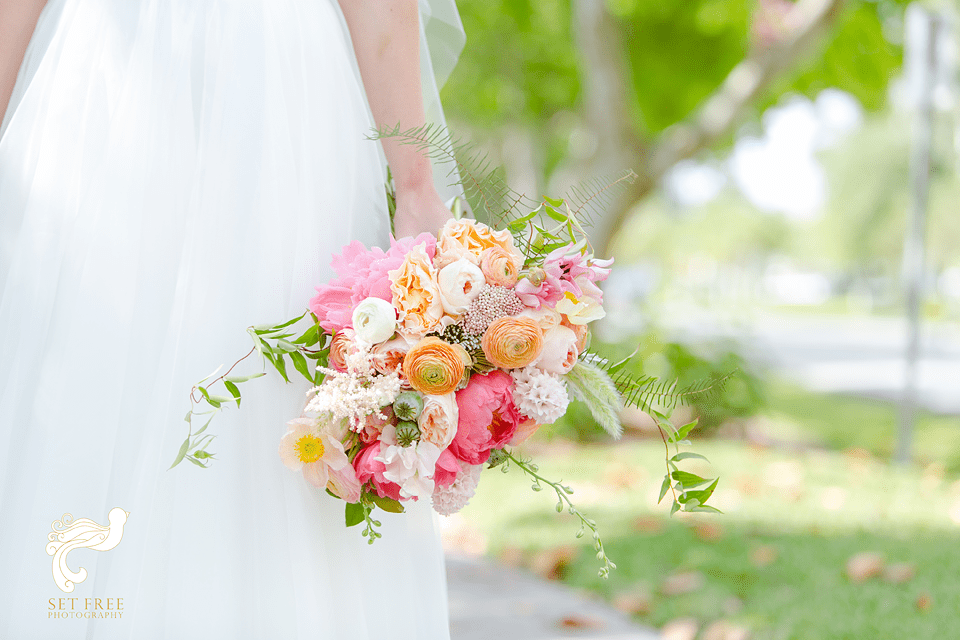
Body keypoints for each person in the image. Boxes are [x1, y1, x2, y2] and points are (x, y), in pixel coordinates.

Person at [0, 0, 464, 638]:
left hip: (145, 84)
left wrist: (416, 186)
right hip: (239, 84)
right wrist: (414, 187)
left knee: (161, 380)